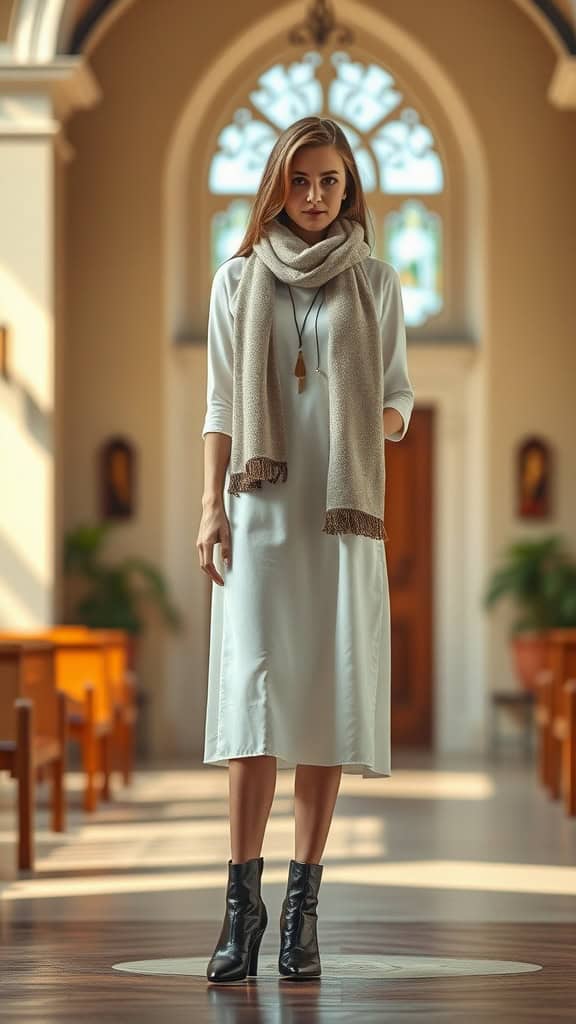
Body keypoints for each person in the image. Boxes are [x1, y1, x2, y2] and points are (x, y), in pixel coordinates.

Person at [196, 116, 415, 984]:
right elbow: (219, 407)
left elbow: (397, 396)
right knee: (252, 703)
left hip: (339, 518)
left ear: (349, 188)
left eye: (330, 182)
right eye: (301, 181)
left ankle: (302, 909)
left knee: (326, 697)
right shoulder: (237, 279)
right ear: (277, 186)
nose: (316, 196)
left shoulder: (379, 281)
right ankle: (238, 906)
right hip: (259, 516)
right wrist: (207, 510)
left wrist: (375, 421)